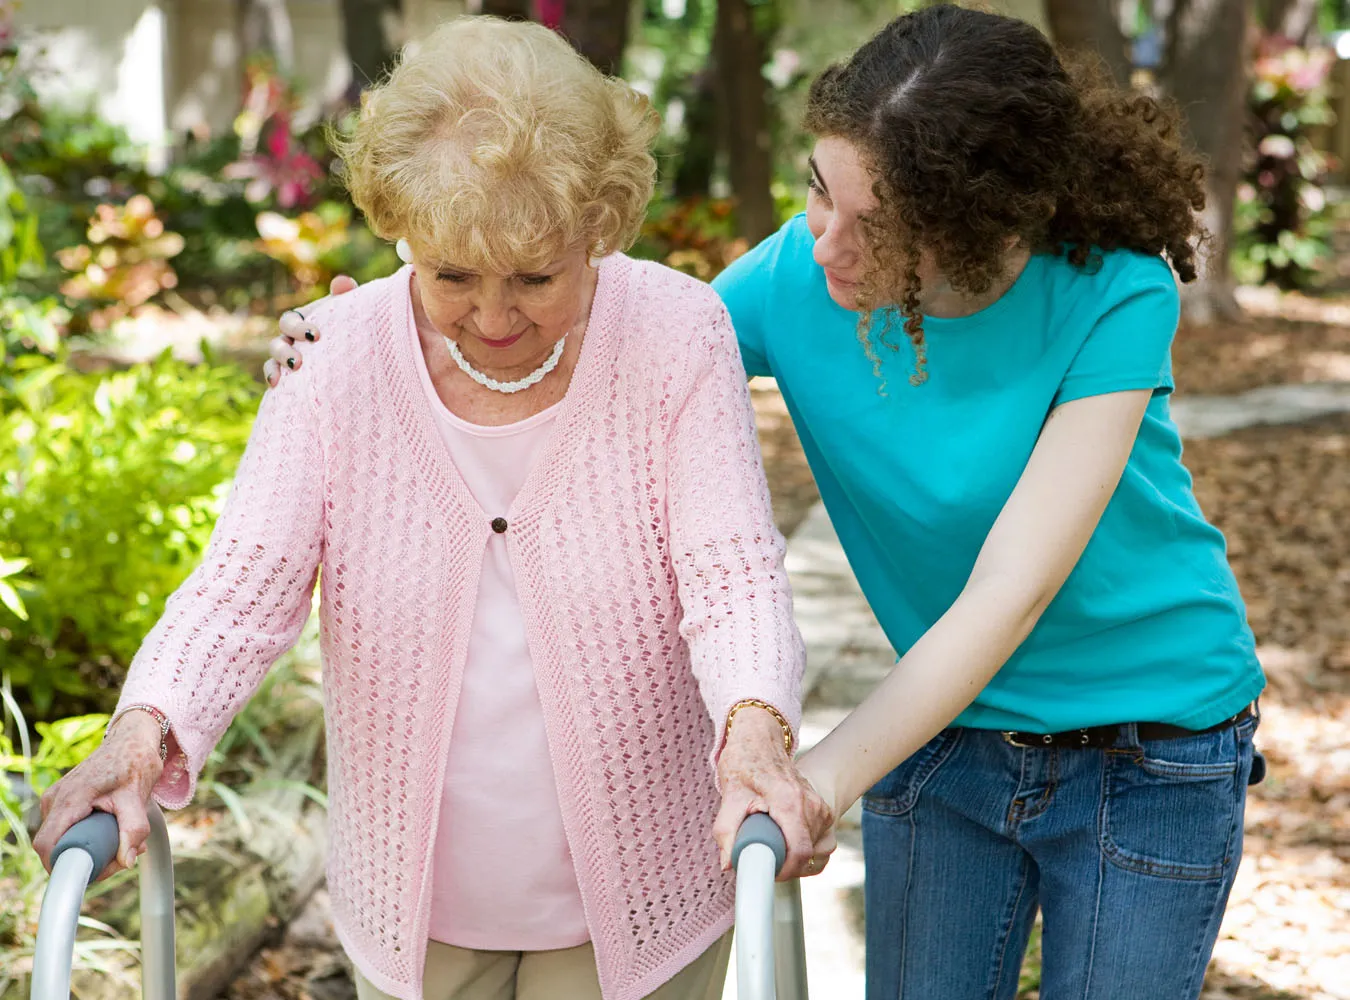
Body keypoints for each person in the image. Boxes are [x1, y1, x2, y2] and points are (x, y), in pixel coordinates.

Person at [271, 6, 1271, 998]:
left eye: (874, 226)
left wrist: (815, 775)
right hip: (943, 735)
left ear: (971, 233)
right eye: (816, 194)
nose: (825, 241)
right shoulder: (800, 273)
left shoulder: (1114, 292)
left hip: (1152, 748)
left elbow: (1011, 590)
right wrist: (384, 336)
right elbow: (627, 342)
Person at [34, 18, 835, 1000]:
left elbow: (730, 571)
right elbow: (239, 592)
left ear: (600, 224)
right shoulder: (332, 360)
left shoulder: (677, 336)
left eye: (536, 277)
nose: (494, 319)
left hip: (640, 907)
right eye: (451, 273)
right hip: (416, 924)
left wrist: (755, 736)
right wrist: (141, 731)